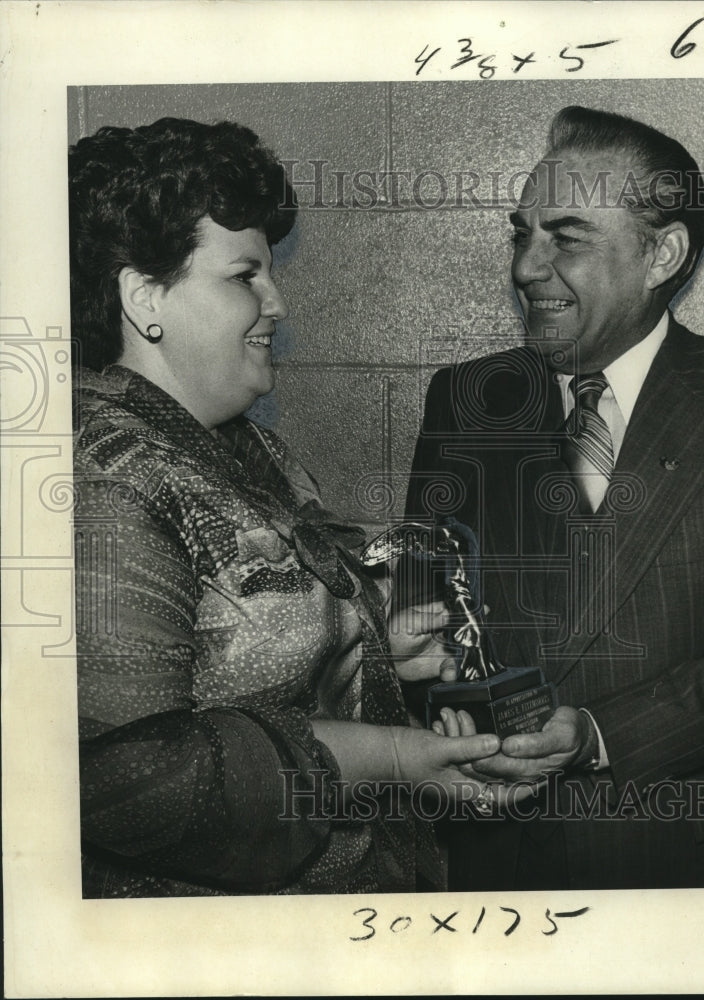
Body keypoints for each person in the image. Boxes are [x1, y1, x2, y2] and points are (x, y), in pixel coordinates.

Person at [69, 117, 503, 898]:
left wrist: (370, 647)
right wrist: (396, 758)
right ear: (143, 298)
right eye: (244, 277)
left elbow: (239, 656)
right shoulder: (101, 480)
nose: (277, 300)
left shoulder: (248, 452)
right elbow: (126, 784)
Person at [405, 106, 704, 890]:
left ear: (661, 253)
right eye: (521, 234)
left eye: (565, 238)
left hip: (687, 868)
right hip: (494, 864)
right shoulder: (465, 400)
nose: (528, 267)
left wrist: (599, 735)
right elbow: (423, 609)